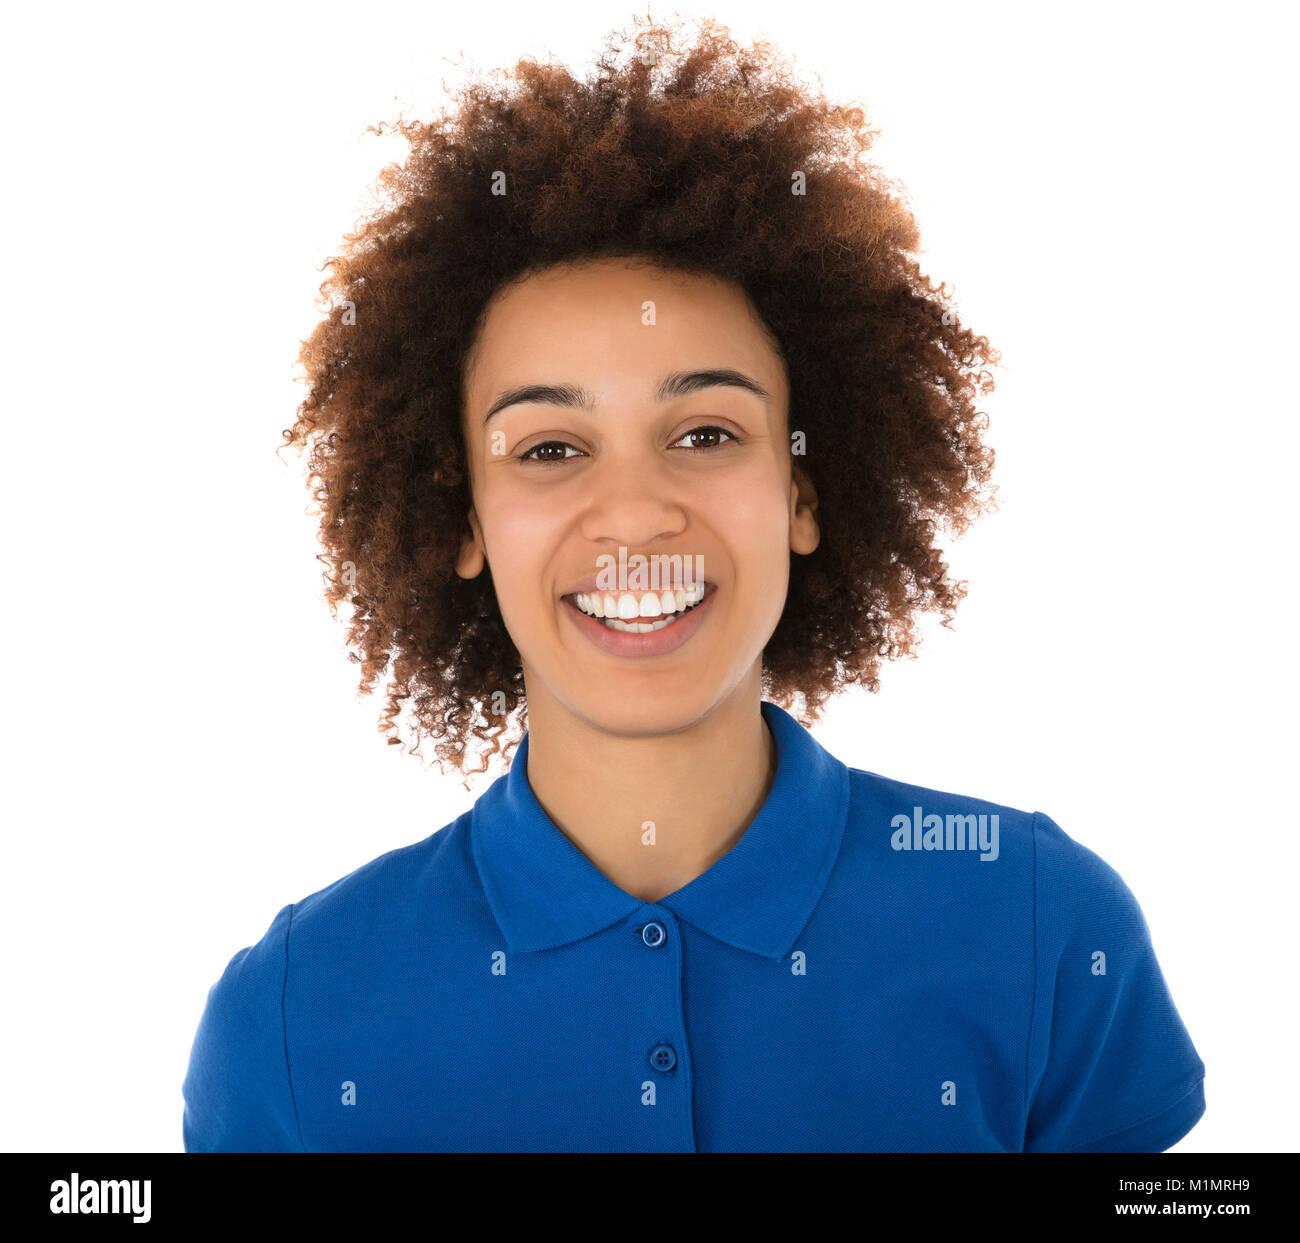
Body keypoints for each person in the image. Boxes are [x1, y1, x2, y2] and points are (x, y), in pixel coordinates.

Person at [182, 13, 1205, 1153]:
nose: (633, 514)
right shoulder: (290, 1015)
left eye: (707, 432)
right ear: (464, 517)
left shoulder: (1039, 925)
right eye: (549, 449)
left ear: (805, 492)